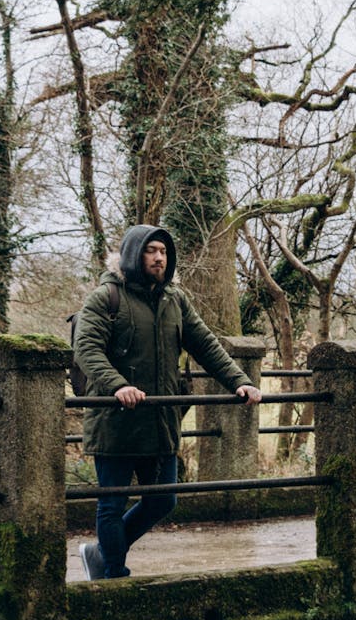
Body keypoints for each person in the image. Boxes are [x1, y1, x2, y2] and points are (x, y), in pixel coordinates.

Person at [73, 224, 262, 580]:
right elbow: (86, 349)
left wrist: (240, 381)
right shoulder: (106, 296)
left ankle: (100, 553)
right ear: (133, 254)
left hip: (159, 421)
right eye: (150, 250)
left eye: (163, 251)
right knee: (112, 504)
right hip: (115, 420)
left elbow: (205, 344)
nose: (159, 257)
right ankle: (113, 577)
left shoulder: (174, 299)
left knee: (163, 499)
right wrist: (118, 386)